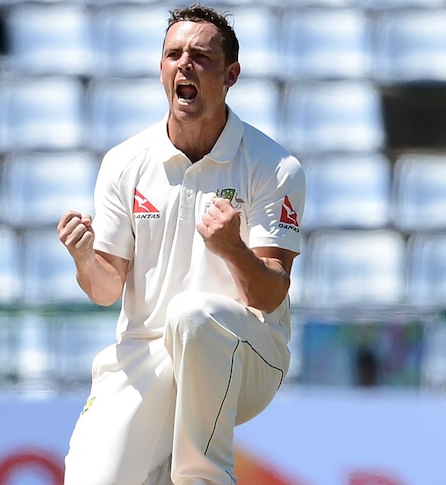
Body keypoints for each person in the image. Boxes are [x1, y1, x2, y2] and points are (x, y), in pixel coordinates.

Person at [56, 4, 306, 484]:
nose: (184, 64)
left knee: (192, 314)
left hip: (248, 354)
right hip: (146, 355)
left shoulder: (275, 167)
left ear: (231, 74)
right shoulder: (124, 162)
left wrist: (232, 248)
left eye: (200, 56)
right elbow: (107, 289)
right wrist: (84, 257)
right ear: (161, 69)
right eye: (173, 54)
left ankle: (202, 476)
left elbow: (270, 294)